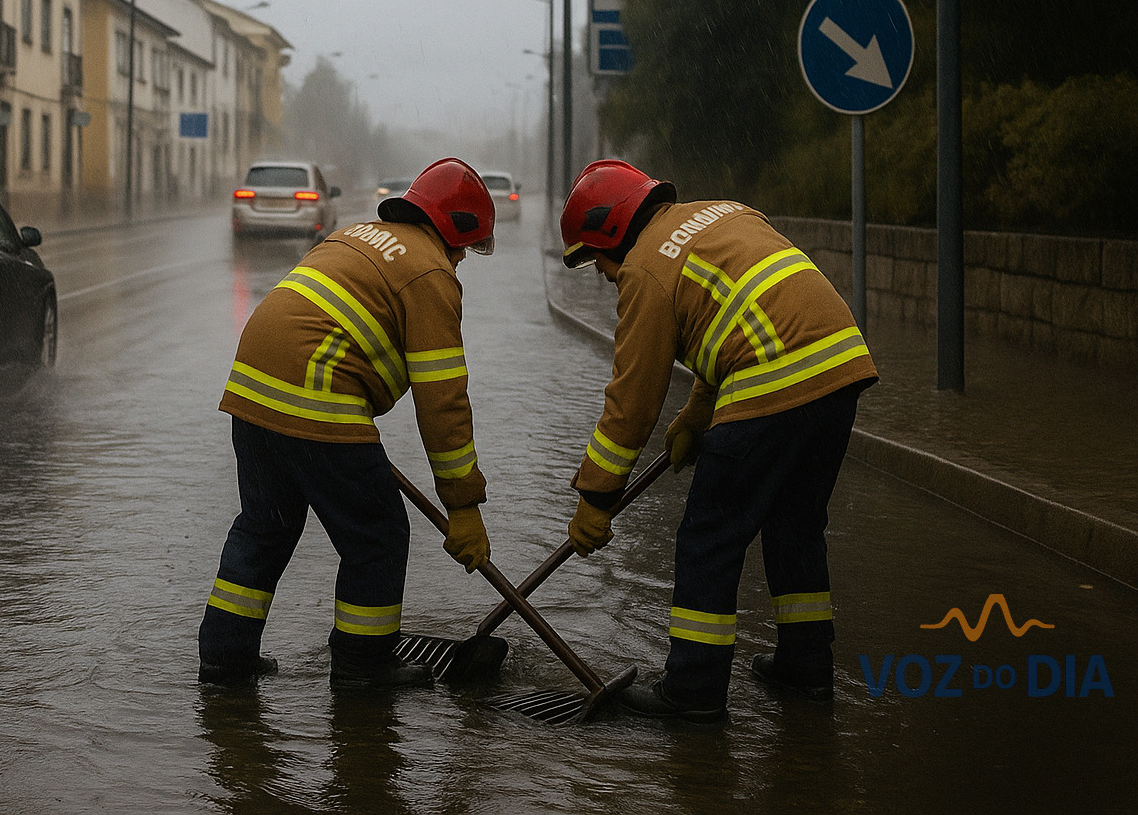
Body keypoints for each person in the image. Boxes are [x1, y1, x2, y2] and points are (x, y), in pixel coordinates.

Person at [558, 159, 878, 722]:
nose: (603, 274)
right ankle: (805, 668)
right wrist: (698, 414)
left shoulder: (644, 271)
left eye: (596, 260)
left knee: (709, 537)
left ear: (613, 231)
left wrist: (595, 497)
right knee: (795, 525)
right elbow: (740, 317)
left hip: (772, 382)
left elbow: (631, 402)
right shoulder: (721, 213)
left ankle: (693, 690)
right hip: (840, 370)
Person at [199, 157, 497, 691]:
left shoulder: (355, 236)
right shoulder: (430, 272)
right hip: (317, 399)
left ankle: (225, 658)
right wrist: (463, 505)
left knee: (264, 527)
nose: (461, 261)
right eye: (466, 250)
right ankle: (363, 666)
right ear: (455, 232)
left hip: (250, 389)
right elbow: (443, 400)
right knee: (377, 537)